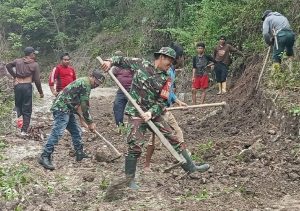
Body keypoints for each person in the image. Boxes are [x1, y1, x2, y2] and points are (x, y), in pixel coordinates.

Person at [101, 47, 210, 190]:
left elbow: (162, 102)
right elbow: (121, 60)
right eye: (169, 61)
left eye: (172, 63)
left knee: (173, 139)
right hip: (136, 112)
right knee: (134, 145)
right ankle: (129, 180)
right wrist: (109, 62)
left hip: (154, 113)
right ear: (161, 57)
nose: (170, 65)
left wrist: (151, 113)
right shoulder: (142, 64)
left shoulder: (167, 78)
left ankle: (191, 168)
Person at [38, 69, 105, 170]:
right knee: (58, 132)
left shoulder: (84, 83)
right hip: (61, 108)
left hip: (68, 108)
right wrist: (90, 122)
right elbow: (85, 105)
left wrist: (82, 120)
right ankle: (45, 155)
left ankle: (79, 153)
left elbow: (78, 103)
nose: (97, 85)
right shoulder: (85, 84)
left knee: (76, 131)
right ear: (92, 77)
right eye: (97, 82)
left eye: (99, 83)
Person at [144, 43, 193, 171]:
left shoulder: (169, 70)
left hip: (160, 108)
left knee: (158, 136)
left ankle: (147, 165)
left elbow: (169, 91)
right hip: (160, 110)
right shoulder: (168, 72)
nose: (183, 59)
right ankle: (187, 162)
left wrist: (177, 101)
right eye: (182, 57)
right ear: (178, 57)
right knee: (173, 133)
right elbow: (164, 92)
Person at [6, 47, 44, 137]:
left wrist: (15, 76)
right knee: (27, 108)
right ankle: (24, 130)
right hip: (27, 86)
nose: (35, 55)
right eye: (34, 54)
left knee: (18, 105)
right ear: (31, 54)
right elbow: (37, 80)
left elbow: (8, 66)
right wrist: (40, 92)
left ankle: (16, 125)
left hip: (17, 86)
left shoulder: (18, 61)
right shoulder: (34, 64)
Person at [112, 51, 134, 127]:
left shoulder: (130, 65)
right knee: (117, 106)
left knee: (133, 109)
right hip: (121, 91)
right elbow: (113, 76)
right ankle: (120, 126)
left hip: (132, 91)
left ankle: (133, 126)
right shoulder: (115, 68)